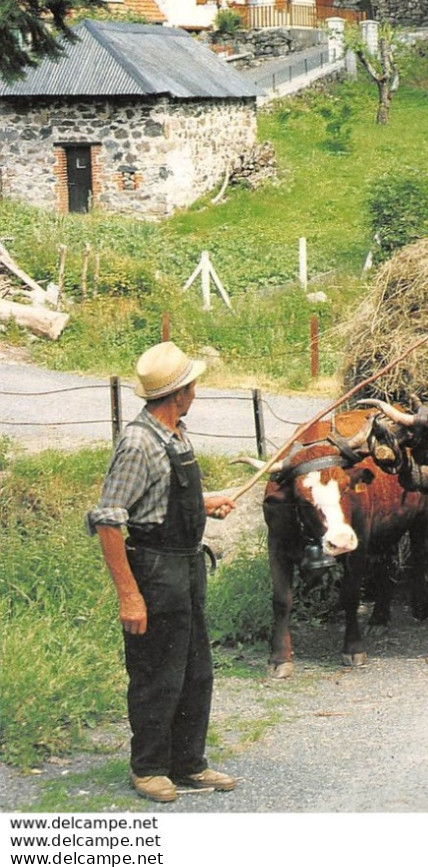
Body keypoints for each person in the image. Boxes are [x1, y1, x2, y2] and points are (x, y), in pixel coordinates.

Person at [87, 341, 238, 803]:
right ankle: (149, 767)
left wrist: (204, 503)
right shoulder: (138, 442)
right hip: (154, 571)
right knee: (157, 673)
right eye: (192, 383)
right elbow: (110, 519)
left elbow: (162, 499)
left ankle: (189, 763)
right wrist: (129, 595)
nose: (195, 389)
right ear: (180, 392)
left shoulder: (176, 434)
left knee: (195, 672)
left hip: (188, 567)